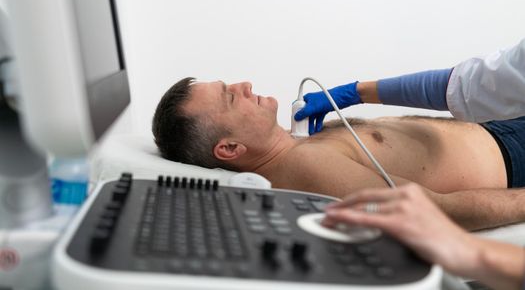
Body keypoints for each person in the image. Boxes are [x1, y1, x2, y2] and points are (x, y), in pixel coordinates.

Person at [293, 38, 525, 290]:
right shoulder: (302, 161)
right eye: (240, 100)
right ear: (240, 149)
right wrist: (356, 92)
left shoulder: (303, 152)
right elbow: (470, 85)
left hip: (506, 142)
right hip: (506, 146)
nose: (245, 87)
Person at [152, 79, 525, 232]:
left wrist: (358, 91)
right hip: (513, 157)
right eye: (230, 96)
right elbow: (434, 212)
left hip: (503, 128)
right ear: (230, 149)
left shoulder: (300, 144)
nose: (244, 85)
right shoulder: (304, 164)